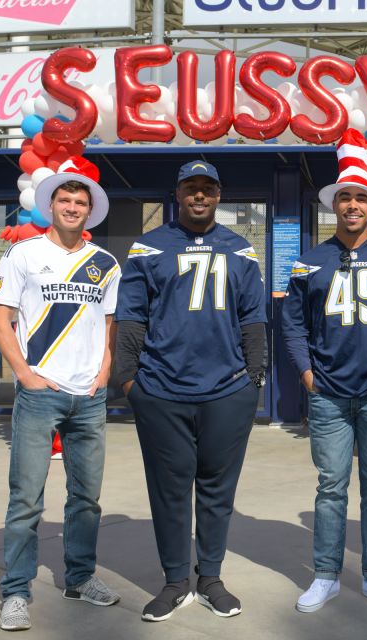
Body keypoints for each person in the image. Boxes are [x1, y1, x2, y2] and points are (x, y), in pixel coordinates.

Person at [114, 160, 269, 622]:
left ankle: (211, 578)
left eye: (208, 188)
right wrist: (129, 381)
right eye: (191, 188)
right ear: (177, 194)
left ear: (219, 195)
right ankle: (175, 580)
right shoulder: (148, 246)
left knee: (219, 490)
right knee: (169, 490)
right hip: (161, 389)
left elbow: (253, 319)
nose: (199, 195)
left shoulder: (241, 249)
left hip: (226, 391)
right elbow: (132, 317)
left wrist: (253, 381)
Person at [281, 130, 367, 614]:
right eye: (346, 197)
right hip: (329, 394)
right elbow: (293, 322)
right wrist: (305, 372)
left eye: (361, 197)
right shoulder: (309, 259)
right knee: (331, 487)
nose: (353, 205)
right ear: (334, 206)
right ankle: (325, 574)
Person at [0, 163, 120, 631]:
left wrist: (104, 369)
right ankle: (15, 592)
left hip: (89, 398)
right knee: (26, 499)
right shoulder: (24, 254)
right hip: (40, 393)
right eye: (65, 201)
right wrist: (24, 374)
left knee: (86, 499)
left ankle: (80, 578)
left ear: (90, 210)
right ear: (51, 206)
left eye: (80, 202)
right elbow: (0, 318)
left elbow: (107, 324)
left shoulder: (106, 263)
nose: (72, 207)